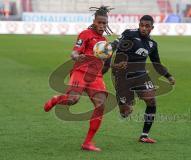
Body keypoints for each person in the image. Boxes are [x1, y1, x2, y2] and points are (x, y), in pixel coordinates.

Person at [43, 6, 113, 152]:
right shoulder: (85, 34)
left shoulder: (104, 42)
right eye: (99, 22)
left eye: (104, 23)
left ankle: (87, 142)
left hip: (95, 76)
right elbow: (74, 52)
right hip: (80, 72)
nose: (101, 26)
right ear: (94, 21)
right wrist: (77, 56)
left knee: (101, 105)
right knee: (73, 100)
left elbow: (105, 64)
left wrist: (109, 62)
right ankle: (57, 99)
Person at [109, 15, 175, 143]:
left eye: (147, 26)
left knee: (151, 101)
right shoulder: (130, 34)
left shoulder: (152, 44)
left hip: (140, 75)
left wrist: (168, 76)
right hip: (123, 74)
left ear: (152, 28)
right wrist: (109, 47)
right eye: (141, 25)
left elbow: (156, 63)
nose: (143, 28)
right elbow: (116, 43)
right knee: (125, 112)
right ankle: (123, 104)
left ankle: (144, 136)